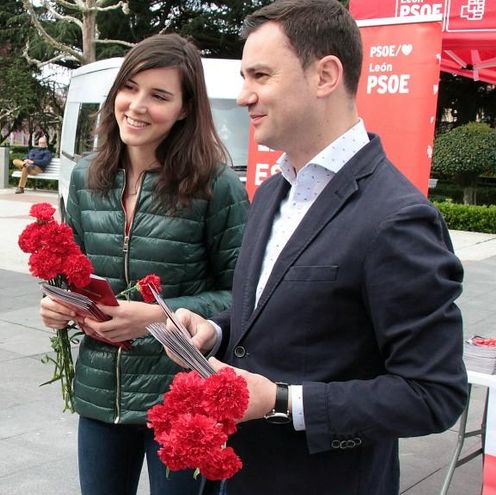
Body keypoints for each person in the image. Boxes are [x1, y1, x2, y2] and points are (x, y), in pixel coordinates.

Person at [166, 1, 468, 494]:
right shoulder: (272, 192)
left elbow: (432, 393)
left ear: (326, 75)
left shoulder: (397, 218)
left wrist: (283, 402)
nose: (245, 96)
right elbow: (280, 320)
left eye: (260, 75)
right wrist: (214, 332)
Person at [39, 34, 249, 495]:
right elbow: (67, 273)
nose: (136, 105)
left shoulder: (215, 185)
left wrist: (159, 315)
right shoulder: (86, 176)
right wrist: (56, 304)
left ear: (185, 109)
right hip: (100, 392)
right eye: (129, 88)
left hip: (181, 397)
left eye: (159, 96)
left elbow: (245, 298)